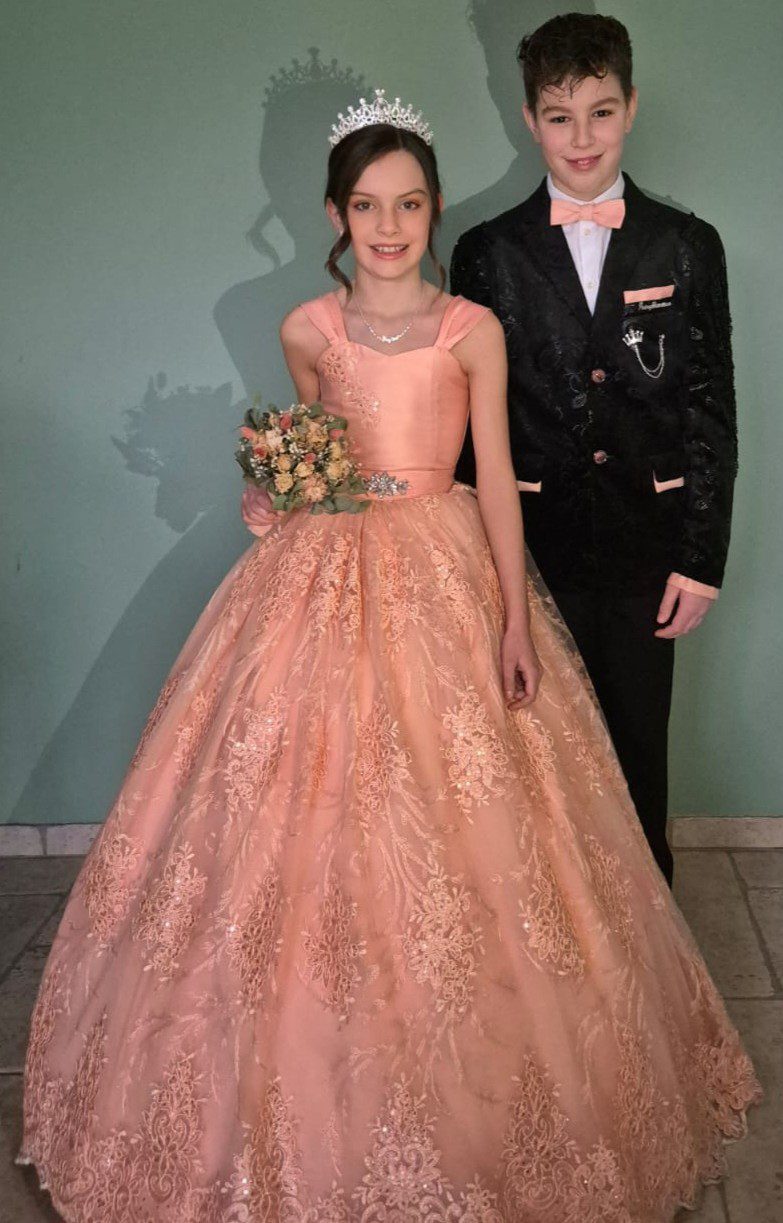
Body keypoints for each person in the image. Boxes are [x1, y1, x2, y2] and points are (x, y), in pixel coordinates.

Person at [17, 89, 758, 1223]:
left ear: (433, 209)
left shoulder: (472, 329)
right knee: (303, 802)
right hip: (320, 577)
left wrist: (513, 619)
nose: (390, 226)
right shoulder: (306, 330)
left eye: (409, 204)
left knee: (467, 810)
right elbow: (314, 459)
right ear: (334, 215)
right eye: (367, 206)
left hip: (442, 563)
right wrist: (276, 490)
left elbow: (496, 482)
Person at [451, 13, 738, 887]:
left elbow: (710, 408)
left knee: (635, 754)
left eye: (600, 112)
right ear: (528, 119)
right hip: (528, 554)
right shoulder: (485, 252)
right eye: (559, 116)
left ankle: (649, 942)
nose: (581, 138)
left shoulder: (686, 245)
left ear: (630, 107)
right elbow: (463, 423)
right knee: (534, 761)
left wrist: (700, 560)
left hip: (649, 551)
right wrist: (468, 565)